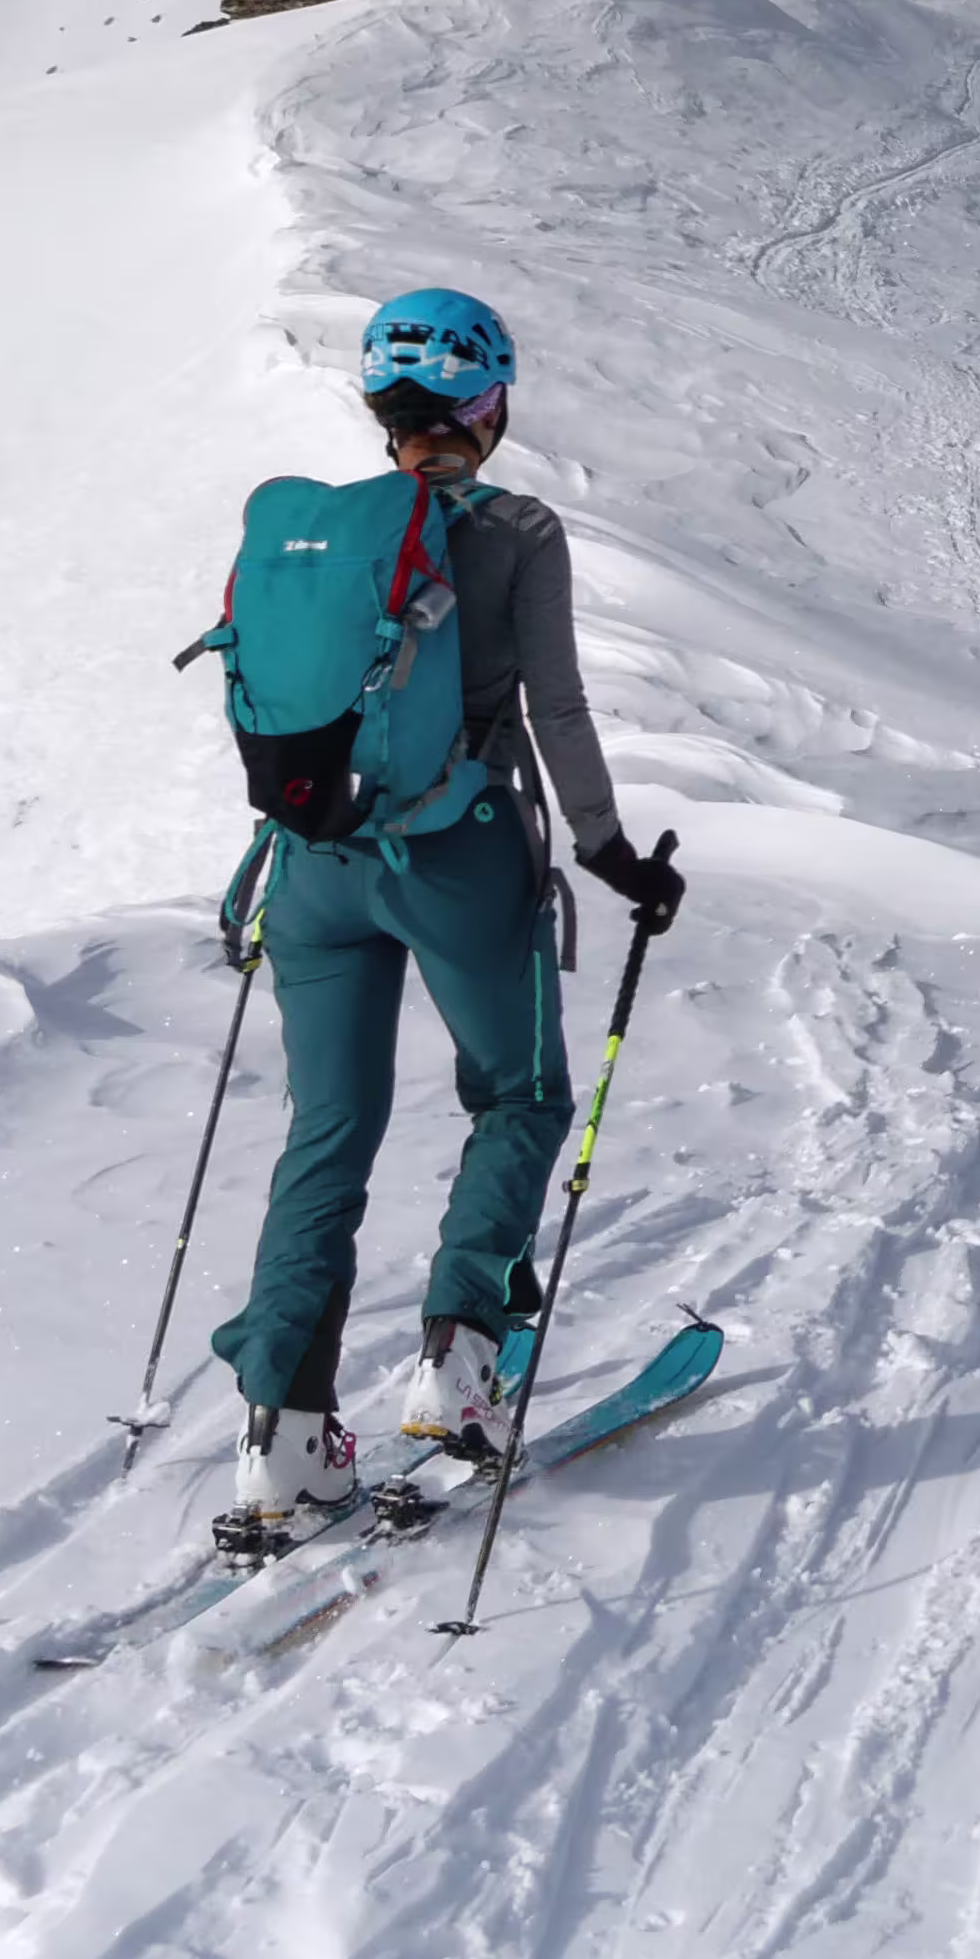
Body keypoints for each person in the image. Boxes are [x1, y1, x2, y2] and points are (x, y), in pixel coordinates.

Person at [212, 288, 685, 1551]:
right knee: (521, 1095)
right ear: (491, 408)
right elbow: (559, 711)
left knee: (327, 1134)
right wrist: (611, 855)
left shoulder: (313, 536)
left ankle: (283, 1439)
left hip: (313, 865)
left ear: (381, 409)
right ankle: (460, 1356)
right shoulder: (519, 529)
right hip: (458, 853)